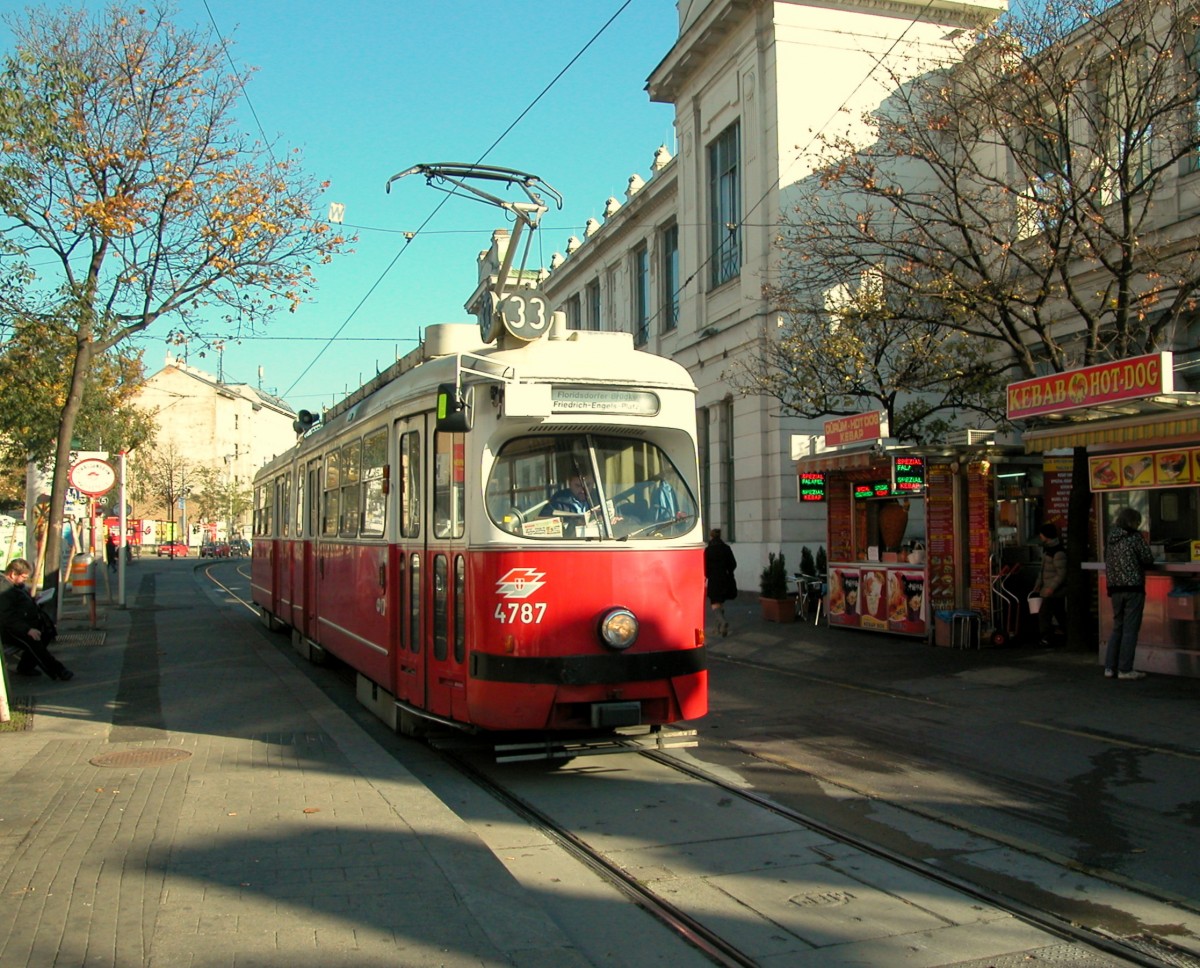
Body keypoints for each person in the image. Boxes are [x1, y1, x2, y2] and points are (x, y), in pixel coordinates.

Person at [0, 558, 73, 681]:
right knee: (33, 642)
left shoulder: (14, 585)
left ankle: (25, 667)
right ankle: (58, 670)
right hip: (9, 629)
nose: (25, 580)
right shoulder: (4, 589)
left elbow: (18, 603)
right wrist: (27, 629)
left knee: (46, 632)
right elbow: (7, 617)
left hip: (21, 623)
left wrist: (33, 600)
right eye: (23, 577)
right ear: (13, 574)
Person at [1103, 506, 1155, 680]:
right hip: (1133, 588)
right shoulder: (1134, 537)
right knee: (1130, 630)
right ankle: (1125, 669)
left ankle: (1109, 667)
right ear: (1132, 521)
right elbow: (1148, 559)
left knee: (1118, 627)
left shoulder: (1111, 538)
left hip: (1115, 589)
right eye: (1137, 521)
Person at [1036, 522, 1067, 646]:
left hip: (1053, 590)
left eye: (1041, 534)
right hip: (1053, 589)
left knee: (1045, 613)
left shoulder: (1055, 552)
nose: (1040, 536)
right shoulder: (1052, 550)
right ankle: (1061, 634)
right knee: (1058, 613)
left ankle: (1046, 637)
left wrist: (1050, 588)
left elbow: (1061, 574)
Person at [704, 528, 737, 637]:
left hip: (714, 579)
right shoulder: (726, 548)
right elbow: (733, 564)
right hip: (725, 578)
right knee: (721, 603)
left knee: (714, 604)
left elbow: (705, 567)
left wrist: (707, 575)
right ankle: (717, 629)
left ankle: (723, 622)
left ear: (711, 536)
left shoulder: (708, 550)